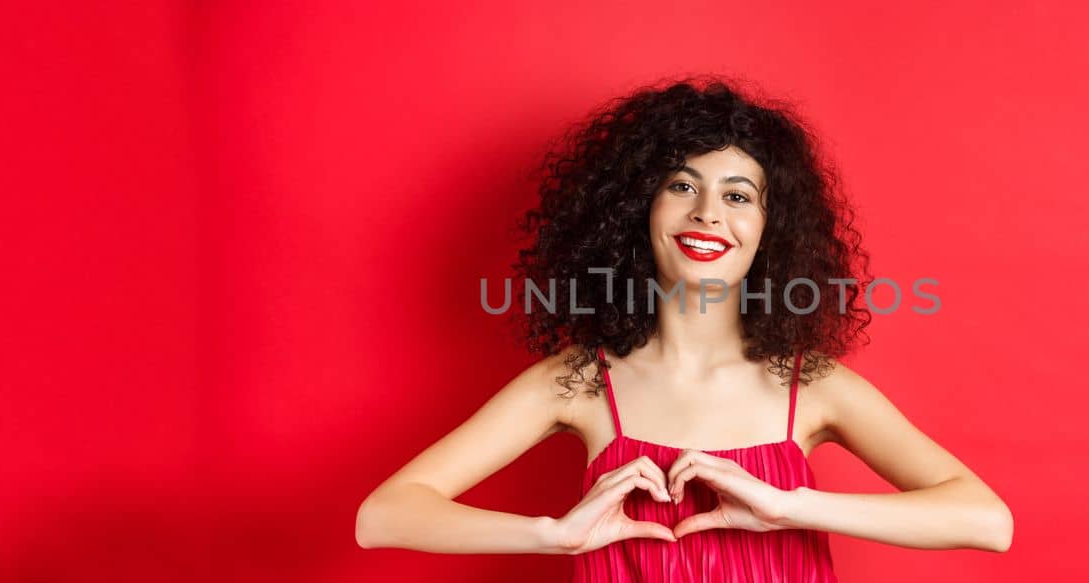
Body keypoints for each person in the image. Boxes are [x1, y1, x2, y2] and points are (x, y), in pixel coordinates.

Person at [355, 76, 1013, 580]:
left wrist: (791, 507)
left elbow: (985, 520)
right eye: (681, 185)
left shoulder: (811, 385)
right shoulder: (578, 381)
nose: (706, 214)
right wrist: (555, 533)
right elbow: (382, 515)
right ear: (637, 209)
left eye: (736, 195)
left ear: (768, 229)